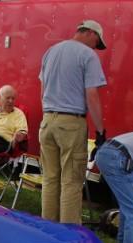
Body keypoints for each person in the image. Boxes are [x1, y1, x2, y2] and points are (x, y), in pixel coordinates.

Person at [39, 19, 108, 225]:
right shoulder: (88, 55)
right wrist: (100, 130)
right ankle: (69, 237)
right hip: (71, 123)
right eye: (97, 42)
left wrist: (48, 111)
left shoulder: (51, 51)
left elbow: (42, 90)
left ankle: (48, 229)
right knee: (71, 181)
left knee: (50, 179)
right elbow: (92, 95)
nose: (96, 47)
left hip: (47, 121)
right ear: (91, 34)